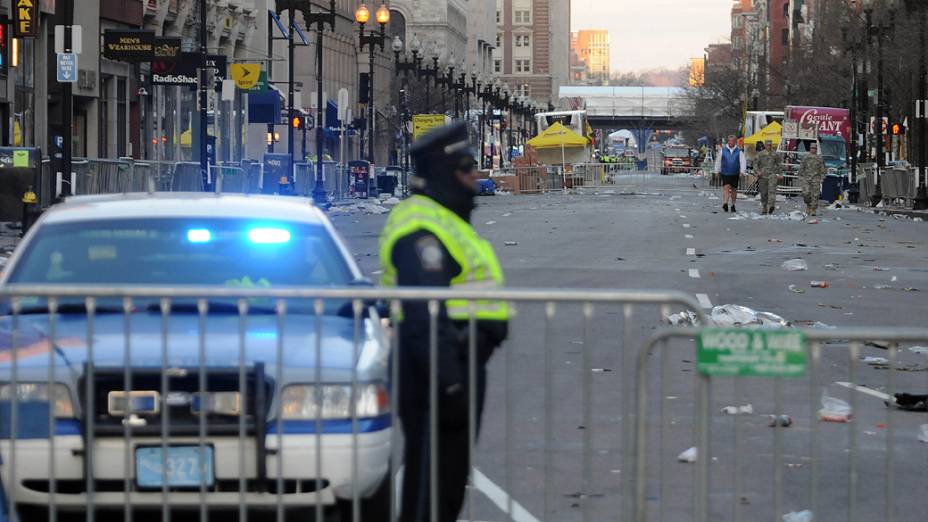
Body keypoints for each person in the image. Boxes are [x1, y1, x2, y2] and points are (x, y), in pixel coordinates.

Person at [379, 121, 510, 522]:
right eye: (467, 168)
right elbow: (423, 315)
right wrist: (449, 382)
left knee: (445, 486)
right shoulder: (423, 229)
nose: (475, 177)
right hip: (437, 373)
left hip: (456, 365)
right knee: (432, 491)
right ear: (443, 172)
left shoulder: (443, 218)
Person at [714, 135, 746, 213]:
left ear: (735, 142)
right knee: (726, 187)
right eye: (729, 141)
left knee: (734, 190)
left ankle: (733, 204)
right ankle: (725, 203)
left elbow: (743, 161)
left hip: (735, 173)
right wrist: (716, 171)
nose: (730, 142)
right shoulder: (723, 150)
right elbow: (718, 161)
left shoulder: (739, 151)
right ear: (728, 141)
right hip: (725, 172)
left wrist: (742, 171)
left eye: (732, 141)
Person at [754, 139, 781, 215]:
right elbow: (755, 164)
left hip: (772, 175)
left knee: (772, 191)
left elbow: (779, 164)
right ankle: (764, 207)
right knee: (764, 193)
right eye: (767, 145)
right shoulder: (760, 154)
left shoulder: (775, 154)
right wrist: (757, 172)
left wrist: (780, 174)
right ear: (765, 145)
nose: (769, 146)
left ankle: (771, 205)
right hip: (763, 176)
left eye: (770, 145)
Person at [799, 142, 826, 216]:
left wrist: (822, 178)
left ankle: (813, 209)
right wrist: (800, 177)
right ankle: (808, 205)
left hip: (816, 179)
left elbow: (823, 169)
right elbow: (801, 168)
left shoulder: (819, 159)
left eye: (814, 148)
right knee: (806, 193)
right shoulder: (805, 158)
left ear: (816, 150)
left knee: (815, 195)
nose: (813, 150)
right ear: (809, 149)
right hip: (806, 179)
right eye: (811, 148)